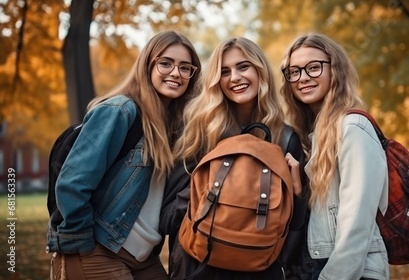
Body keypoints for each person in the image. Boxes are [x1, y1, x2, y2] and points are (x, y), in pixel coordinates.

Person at [46, 30, 202, 280]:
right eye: (165, 63)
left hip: (143, 257)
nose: (176, 73)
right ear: (147, 65)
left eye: (185, 68)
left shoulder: (174, 128)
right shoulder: (120, 111)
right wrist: (82, 244)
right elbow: (73, 183)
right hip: (100, 248)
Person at [159, 37, 308, 280]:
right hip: (197, 266)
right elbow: (168, 213)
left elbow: (294, 224)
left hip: (260, 270)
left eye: (243, 67)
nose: (235, 78)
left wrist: (297, 194)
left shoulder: (285, 138)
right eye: (225, 71)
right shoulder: (200, 130)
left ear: (260, 70)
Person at [279, 33, 390, 280]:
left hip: (349, 272)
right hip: (313, 268)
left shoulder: (353, 128)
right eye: (294, 71)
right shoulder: (307, 134)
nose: (303, 77)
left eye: (314, 67)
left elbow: (356, 225)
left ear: (335, 70)